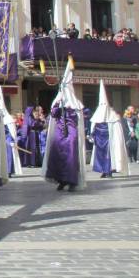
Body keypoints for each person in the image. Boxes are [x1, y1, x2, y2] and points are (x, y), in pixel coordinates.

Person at [43, 60, 87, 191]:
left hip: (71, 131)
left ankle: (72, 180)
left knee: (71, 155)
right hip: (59, 131)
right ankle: (60, 179)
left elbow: (79, 117)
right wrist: (58, 105)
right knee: (57, 154)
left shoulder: (76, 104)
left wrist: (69, 109)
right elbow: (53, 114)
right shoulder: (58, 101)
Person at [89, 81, 129, 179]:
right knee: (100, 156)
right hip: (99, 140)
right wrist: (92, 135)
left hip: (109, 140)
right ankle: (103, 170)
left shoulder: (113, 117)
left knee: (109, 156)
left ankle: (109, 171)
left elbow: (117, 130)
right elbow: (93, 127)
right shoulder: (97, 116)